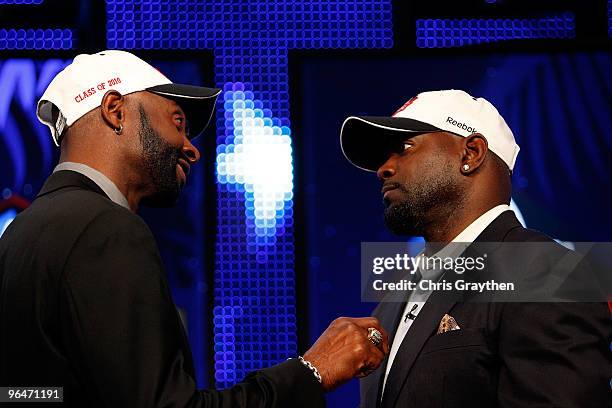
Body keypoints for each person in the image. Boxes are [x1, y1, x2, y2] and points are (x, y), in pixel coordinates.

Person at [0, 50, 389, 408]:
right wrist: (312, 371)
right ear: (115, 110)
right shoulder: (106, 229)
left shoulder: (20, 236)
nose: (192, 147)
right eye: (178, 122)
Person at [340, 90, 612, 407]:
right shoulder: (389, 306)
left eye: (404, 147)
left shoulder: (547, 272)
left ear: (471, 153)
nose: (383, 168)